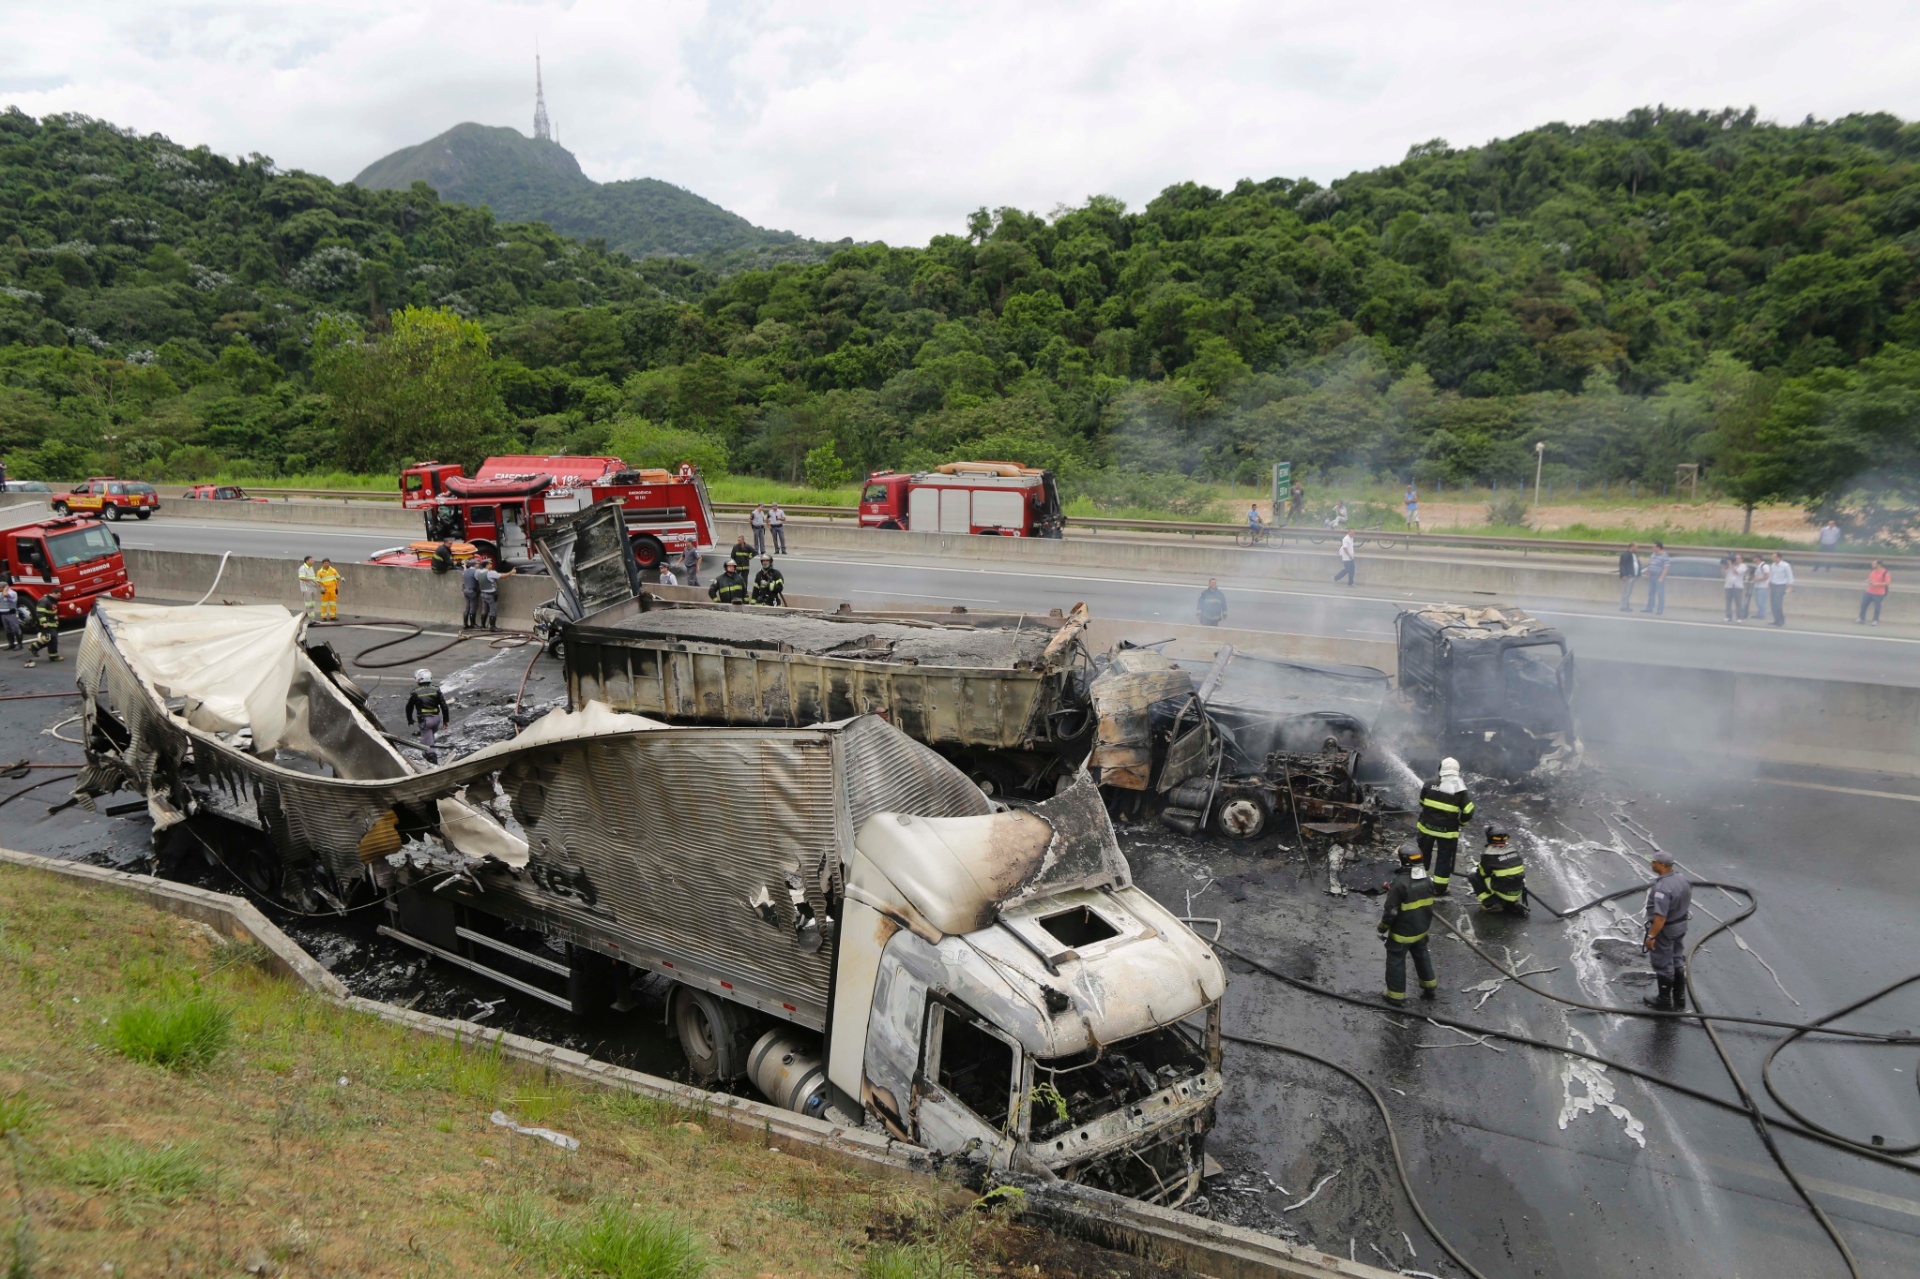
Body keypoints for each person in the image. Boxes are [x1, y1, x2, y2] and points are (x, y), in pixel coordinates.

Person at [1378, 844, 1438, 1005]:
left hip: (1402, 933)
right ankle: (1429, 985)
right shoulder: (1427, 879)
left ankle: (1395, 995)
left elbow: (1391, 912)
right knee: (1421, 954)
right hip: (1421, 929)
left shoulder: (1400, 884)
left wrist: (1382, 928)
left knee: (1396, 959)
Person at [1416, 756, 1474, 895]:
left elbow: (1421, 802)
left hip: (1427, 828)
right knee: (1444, 859)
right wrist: (1462, 822)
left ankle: (1418, 884)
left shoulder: (1429, 784)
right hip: (1447, 832)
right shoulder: (1460, 790)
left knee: (1422, 856)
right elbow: (1468, 810)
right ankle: (1439, 888)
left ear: (1440, 769)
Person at [1642, 853, 1692, 1011]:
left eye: (1654, 862)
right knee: (1677, 959)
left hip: (1666, 929)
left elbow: (1660, 918)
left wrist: (1651, 936)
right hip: (1680, 925)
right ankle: (1680, 997)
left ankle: (1664, 999)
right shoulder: (1682, 879)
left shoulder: (1662, 888)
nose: (1651, 865)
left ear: (1662, 865)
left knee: (1663, 963)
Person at [1468, 828, 1528, 915]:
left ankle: (1491, 903)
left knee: (1473, 876)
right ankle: (1512, 903)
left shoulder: (1489, 855)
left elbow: (1481, 874)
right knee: (1505, 876)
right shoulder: (1513, 850)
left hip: (1503, 890)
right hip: (1517, 890)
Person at [404, 668, 451, 765]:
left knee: (429, 746)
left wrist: (410, 719)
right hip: (436, 719)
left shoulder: (415, 692)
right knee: (430, 737)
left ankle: (433, 763)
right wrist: (446, 720)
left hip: (425, 721)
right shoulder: (436, 689)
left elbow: (409, 707)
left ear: (418, 679)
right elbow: (444, 706)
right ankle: (427, 753)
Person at [24, 588, 60, 667]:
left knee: (48, 639)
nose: (59, 596)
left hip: (51, 623)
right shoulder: (44, 601)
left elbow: (54, 612)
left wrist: (56, 620)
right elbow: (40, 613)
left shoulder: (53, 600)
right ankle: (53, 656)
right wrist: (44, 622)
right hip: (46, 624)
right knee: (52, 638)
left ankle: (34, 647)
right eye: (58, 595)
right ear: (53, 593)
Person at [1641, 541, 1671, 616]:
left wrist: (1661, 577)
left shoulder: (1664, 555)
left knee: (1660, 593)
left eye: (1654, 547)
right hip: (1652, 575)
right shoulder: (1653, 554)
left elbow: (1666, 567)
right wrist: (1647, 573)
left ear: (1658, 547)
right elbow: (1650, 564)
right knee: (1651, 593)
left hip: (1659, 576)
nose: (1652, 548)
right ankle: (1649, 608)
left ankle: (1660, 609)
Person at [1859, 559, 1891, 625]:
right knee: (1863, 605)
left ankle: (1875, 620)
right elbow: (1871, 578)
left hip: (1878, 593)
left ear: (1879, 565)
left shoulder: (1885, 572)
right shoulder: (1872, 571)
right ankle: (1861, 618)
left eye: (1874, 564)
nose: (1872, 565)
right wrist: (1868, 580)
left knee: (1877, 607)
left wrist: (1877, 584)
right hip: (1869, 591)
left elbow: (1887, 583)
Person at [1768, 551, 1794, 627]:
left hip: (1780, 585)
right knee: (1773, 603)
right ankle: (1776, 619)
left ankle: (1781, 620)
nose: (1772, 559)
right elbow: (1771, 575)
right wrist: (1769, 584)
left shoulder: (1785, 565)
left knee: (1778, 604)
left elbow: (1790, 576)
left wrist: (1790, 586)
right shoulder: (1773, 565)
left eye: (1774, 557)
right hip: (1773, 584)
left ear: (1778, 557)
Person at [478, 562, 503, 630]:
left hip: (483, 593)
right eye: (490, 564)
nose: (491, 565)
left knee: (484, 610)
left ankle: (483, 626)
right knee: (493, 610)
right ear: (487, 565)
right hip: (490, 594)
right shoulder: (489, 573)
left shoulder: (479, 573)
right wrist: (511, 573)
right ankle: (492, 627)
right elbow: (502, 576)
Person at [1617, 542, 1641, 612]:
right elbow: (1622, 565)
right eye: (1636, 547)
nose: (1637, 548)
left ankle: (1626, 605)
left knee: (1629, 592)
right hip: (1628, 576)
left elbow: (1636, 564)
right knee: (1626, 592)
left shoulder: (1634, 555)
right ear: (1632, 547)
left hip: (1633, 575)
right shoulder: (1625, 555)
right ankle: (1624, 606)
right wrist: (1624, 574)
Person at [461, 558, 482, 630]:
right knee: (473, 607)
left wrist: (464, 567)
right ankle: (473, 623)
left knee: (467, 607)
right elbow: (480, 578)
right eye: (477, 564)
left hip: (465, 590)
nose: (478, 565)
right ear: (475, 565)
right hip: (472, 591)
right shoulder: (476, 571)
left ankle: (465, 624)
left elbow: (464, 573)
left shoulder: (466, 571)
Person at [1720, 557, 1743, 622]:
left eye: (1738, 559)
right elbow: (1723, 574)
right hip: (1728, 586)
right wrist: (1724, 566)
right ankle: (1728, 616)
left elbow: (1737, 572)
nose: (1736, 560)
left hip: (1737, 587)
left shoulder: (1742, 566)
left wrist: (1730, 565)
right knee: (1728, 603)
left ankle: (1739, 617)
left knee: (1738, 603)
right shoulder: (1728, 566)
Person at [1749, 553, 1770, 624]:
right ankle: (1759, 613)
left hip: (1763, 586)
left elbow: (1767, 576)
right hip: (1756, 586)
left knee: (1761, 601)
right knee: (1757, 601)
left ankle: (1762, 614)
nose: (1753, 559)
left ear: (1758, 558)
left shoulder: (1764, 566)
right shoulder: (1755, 566)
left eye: (1754, 558)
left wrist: (1758, 579)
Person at [0, 582, 21, 651]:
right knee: (7, 630)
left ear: (4, 587)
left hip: (11, 614)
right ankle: (11, 644)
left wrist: (5, 589)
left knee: (15, 629)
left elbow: (5, 595)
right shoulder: (1, 593)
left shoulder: (12, 593)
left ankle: (19, 644)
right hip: (3, 614)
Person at [298, 555, 320, 621]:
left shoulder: (311, 567)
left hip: (313, 588)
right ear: (307, 561)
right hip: (306, 589)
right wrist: (312, 580)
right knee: (308, 605)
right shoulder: (303, 568)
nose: (313, 561)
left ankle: (311, 619)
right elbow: (301, 577)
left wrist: (317, 583)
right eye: (311, 560)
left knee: (312, 604)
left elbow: (313, 577)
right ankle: (306, 620)